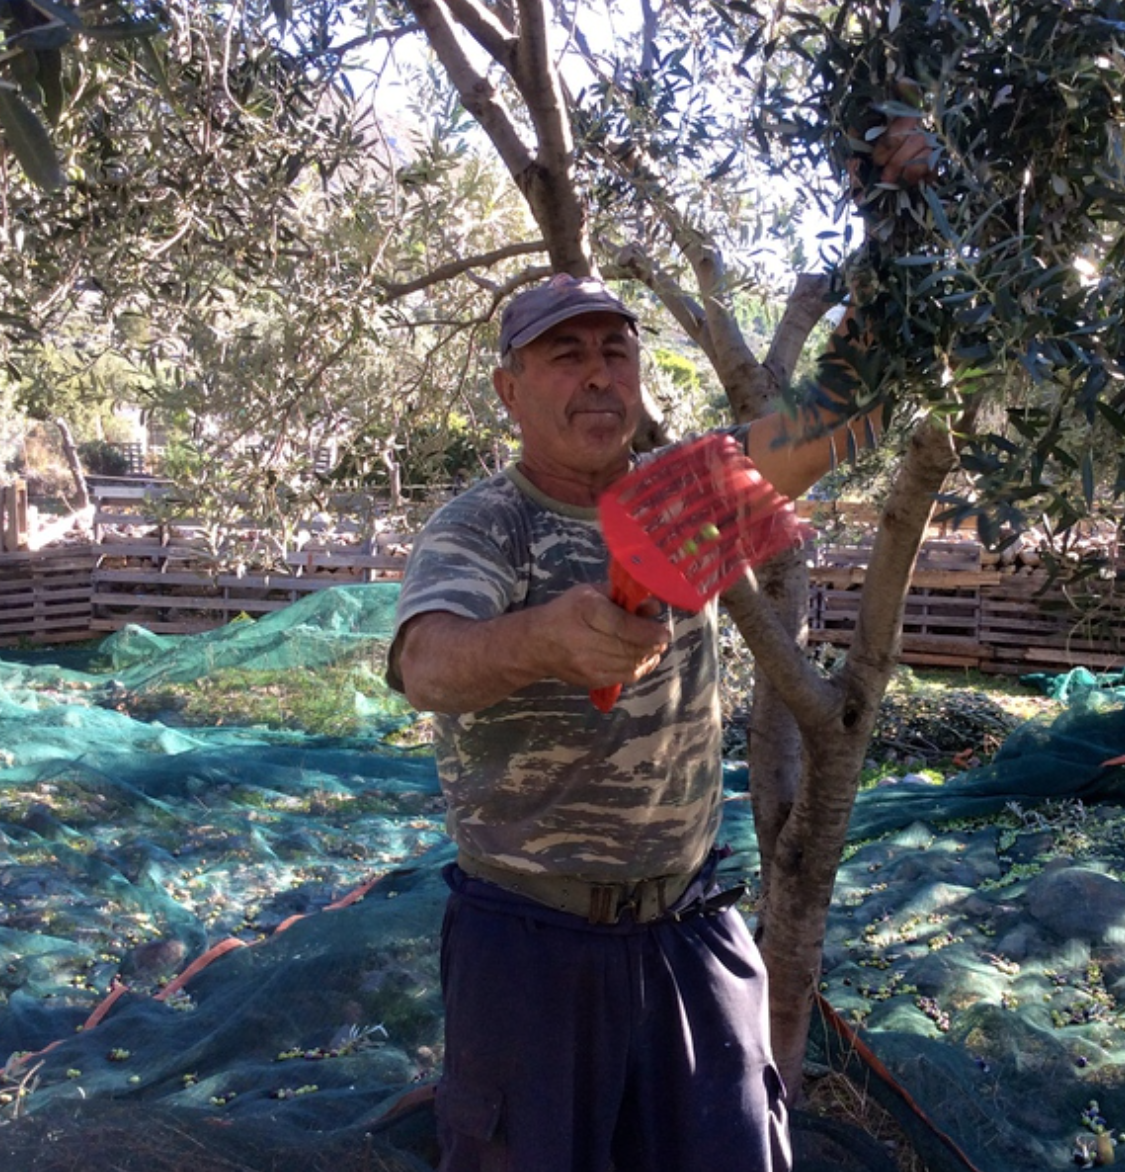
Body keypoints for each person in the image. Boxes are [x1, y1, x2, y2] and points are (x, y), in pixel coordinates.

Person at [387, 124, 927, 1172]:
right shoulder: (482, 524)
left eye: (614, 349)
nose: (597, 376)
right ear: (510, 390)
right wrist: (546, 637)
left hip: (689, 929)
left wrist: (897, 231)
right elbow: (429, 663)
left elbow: (841, 409)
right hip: (529, 947)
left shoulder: (684, 496)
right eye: (563, 353)